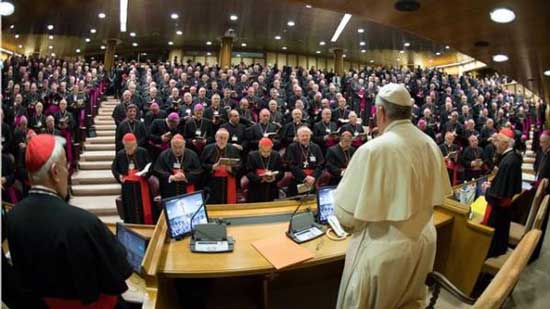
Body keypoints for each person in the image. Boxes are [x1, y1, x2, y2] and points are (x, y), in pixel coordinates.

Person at [332, 83, 451, 308]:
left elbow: (346, 219)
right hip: (425, 242)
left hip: (384, 252)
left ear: (380, 112)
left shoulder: (372, 150)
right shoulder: (431, 144)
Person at [6, 134, 132, 307]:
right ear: (55, 172)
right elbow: (120, 271)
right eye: (66, 166)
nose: (68, 171)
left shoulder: (12, 217)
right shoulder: (83, 223)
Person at [482, 128, 523, 258]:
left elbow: (496, 197)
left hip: (498, 212)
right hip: (504, 211)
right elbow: (508, 186)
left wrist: (487, 190)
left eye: (498, 141)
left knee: (493, 245)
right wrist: (493, 184)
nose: (495, 144)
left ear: (506, 143)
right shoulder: (513, 157)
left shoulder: (507, 162)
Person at [111, 133, 156, 224]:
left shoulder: (142, 152)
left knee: (143, 208)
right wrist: (119, 176)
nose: (130, 150)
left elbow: (150, 166)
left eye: (131, 147)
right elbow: (114, 168)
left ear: (135, 145)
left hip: (141, 185)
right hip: (128, 187)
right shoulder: (121, 154)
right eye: (127, 147)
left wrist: (145, 174)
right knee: (130, 208)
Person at [153, 134, 202, 198]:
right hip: (169, 190)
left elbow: (198, 171)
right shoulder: (164, 155)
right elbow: (158, 170)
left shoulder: (192, 155)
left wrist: (185, 177)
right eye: (175, 147)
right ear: (171, 145)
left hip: (187, 189)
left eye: (180, 147)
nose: (177, 150)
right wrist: (170, 177)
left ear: (184, 145)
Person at [200, 128, 241, 204]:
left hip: (228, 181)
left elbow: (239, 164)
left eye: (225, 138)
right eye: (220, 138)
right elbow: (201, 165)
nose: (222, 141)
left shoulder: (233, 149)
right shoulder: (208, 148)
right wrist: (212, 167)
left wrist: (231, 169)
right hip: (212, 182)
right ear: (216, 137)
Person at [285, 126, 325, 197]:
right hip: (298, 179)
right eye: (302, 136)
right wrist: (305, 177)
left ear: (310, 136)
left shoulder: (316, 147)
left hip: (313, 180)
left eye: (307, 135)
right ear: (298, 137)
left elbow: (320, 164)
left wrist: (313, 177)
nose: (305, 138)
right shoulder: (292, 147)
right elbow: (292, 165)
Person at [245, 137, 284, 202]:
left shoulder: (276, 155)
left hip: (271, 187)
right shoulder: (252, 155)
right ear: (259, 148)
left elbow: (281, 171)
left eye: (268, 151)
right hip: (256, 188)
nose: (266, 153)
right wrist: (261, 179)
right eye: (263, 151)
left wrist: (274, 177)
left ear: (271, 149)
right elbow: (248, 172)